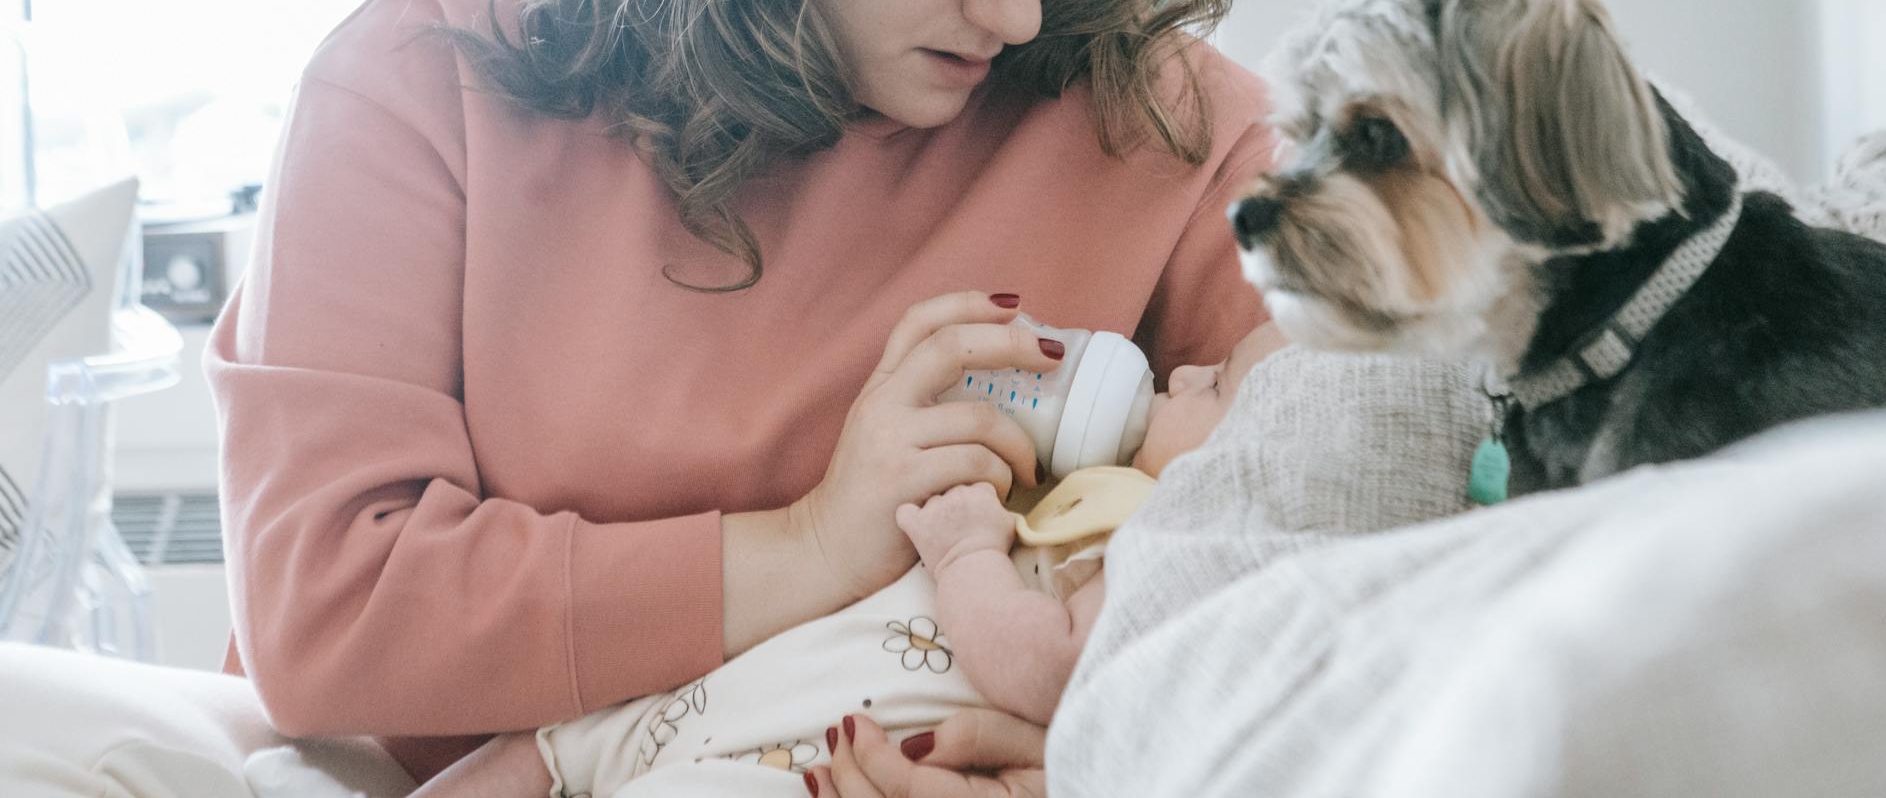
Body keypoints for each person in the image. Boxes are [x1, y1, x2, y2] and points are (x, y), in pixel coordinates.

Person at [0, 0, 1272, 797]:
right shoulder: (423, 82)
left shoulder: (1156, 125)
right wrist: (808, 544)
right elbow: (329, 608)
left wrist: (1105, 752)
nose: (1018, 8)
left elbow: (1382, 513)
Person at [379, 322, 1286, 798]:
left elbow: (1047, 662)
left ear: (1265, 459)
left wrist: (971, 548)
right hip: (755, 680)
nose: (1185, 372)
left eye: (1215, 386)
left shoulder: (1180, 549)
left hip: (818, 756)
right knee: (557, 741)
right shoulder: (1122, 495)